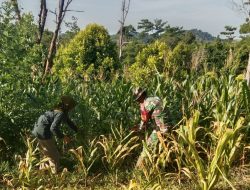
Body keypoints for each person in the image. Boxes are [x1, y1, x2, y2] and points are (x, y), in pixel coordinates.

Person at [32, 96, 78, 174]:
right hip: (43, 132)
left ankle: (43, 172)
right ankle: (55, 174)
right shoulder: (60, 113)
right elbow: (53, 128)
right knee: (54, 154)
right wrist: (63, 137)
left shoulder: (58, 111)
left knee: (45, 153)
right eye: (72, 107)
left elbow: (69, 122)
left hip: (37, 130)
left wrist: (77, 130)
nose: (72, 109)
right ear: (68, 107)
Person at [132, 87, 168, 168]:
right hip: (171, 125)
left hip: (161, 129)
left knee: (147, 149)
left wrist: (139, 129)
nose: (138, 102)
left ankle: (138, 170)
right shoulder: (155, 98)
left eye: (138, 100)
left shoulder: (146, 103)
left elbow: (145, 119)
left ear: (140, 97)